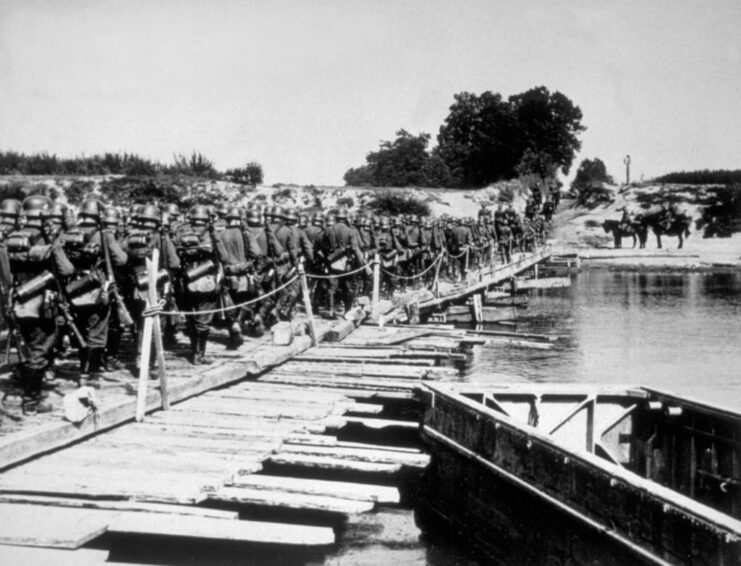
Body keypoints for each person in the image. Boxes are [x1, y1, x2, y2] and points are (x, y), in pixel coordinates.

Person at [5, 196, 75, 413]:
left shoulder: (11, 237)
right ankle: (32, 400)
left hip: (17, 301)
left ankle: (23, 387)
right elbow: (66, 270)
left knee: (24, 347)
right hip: (41, 304)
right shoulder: (46, 240)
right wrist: (55, 244)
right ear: (45, 215)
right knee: (39, 349)